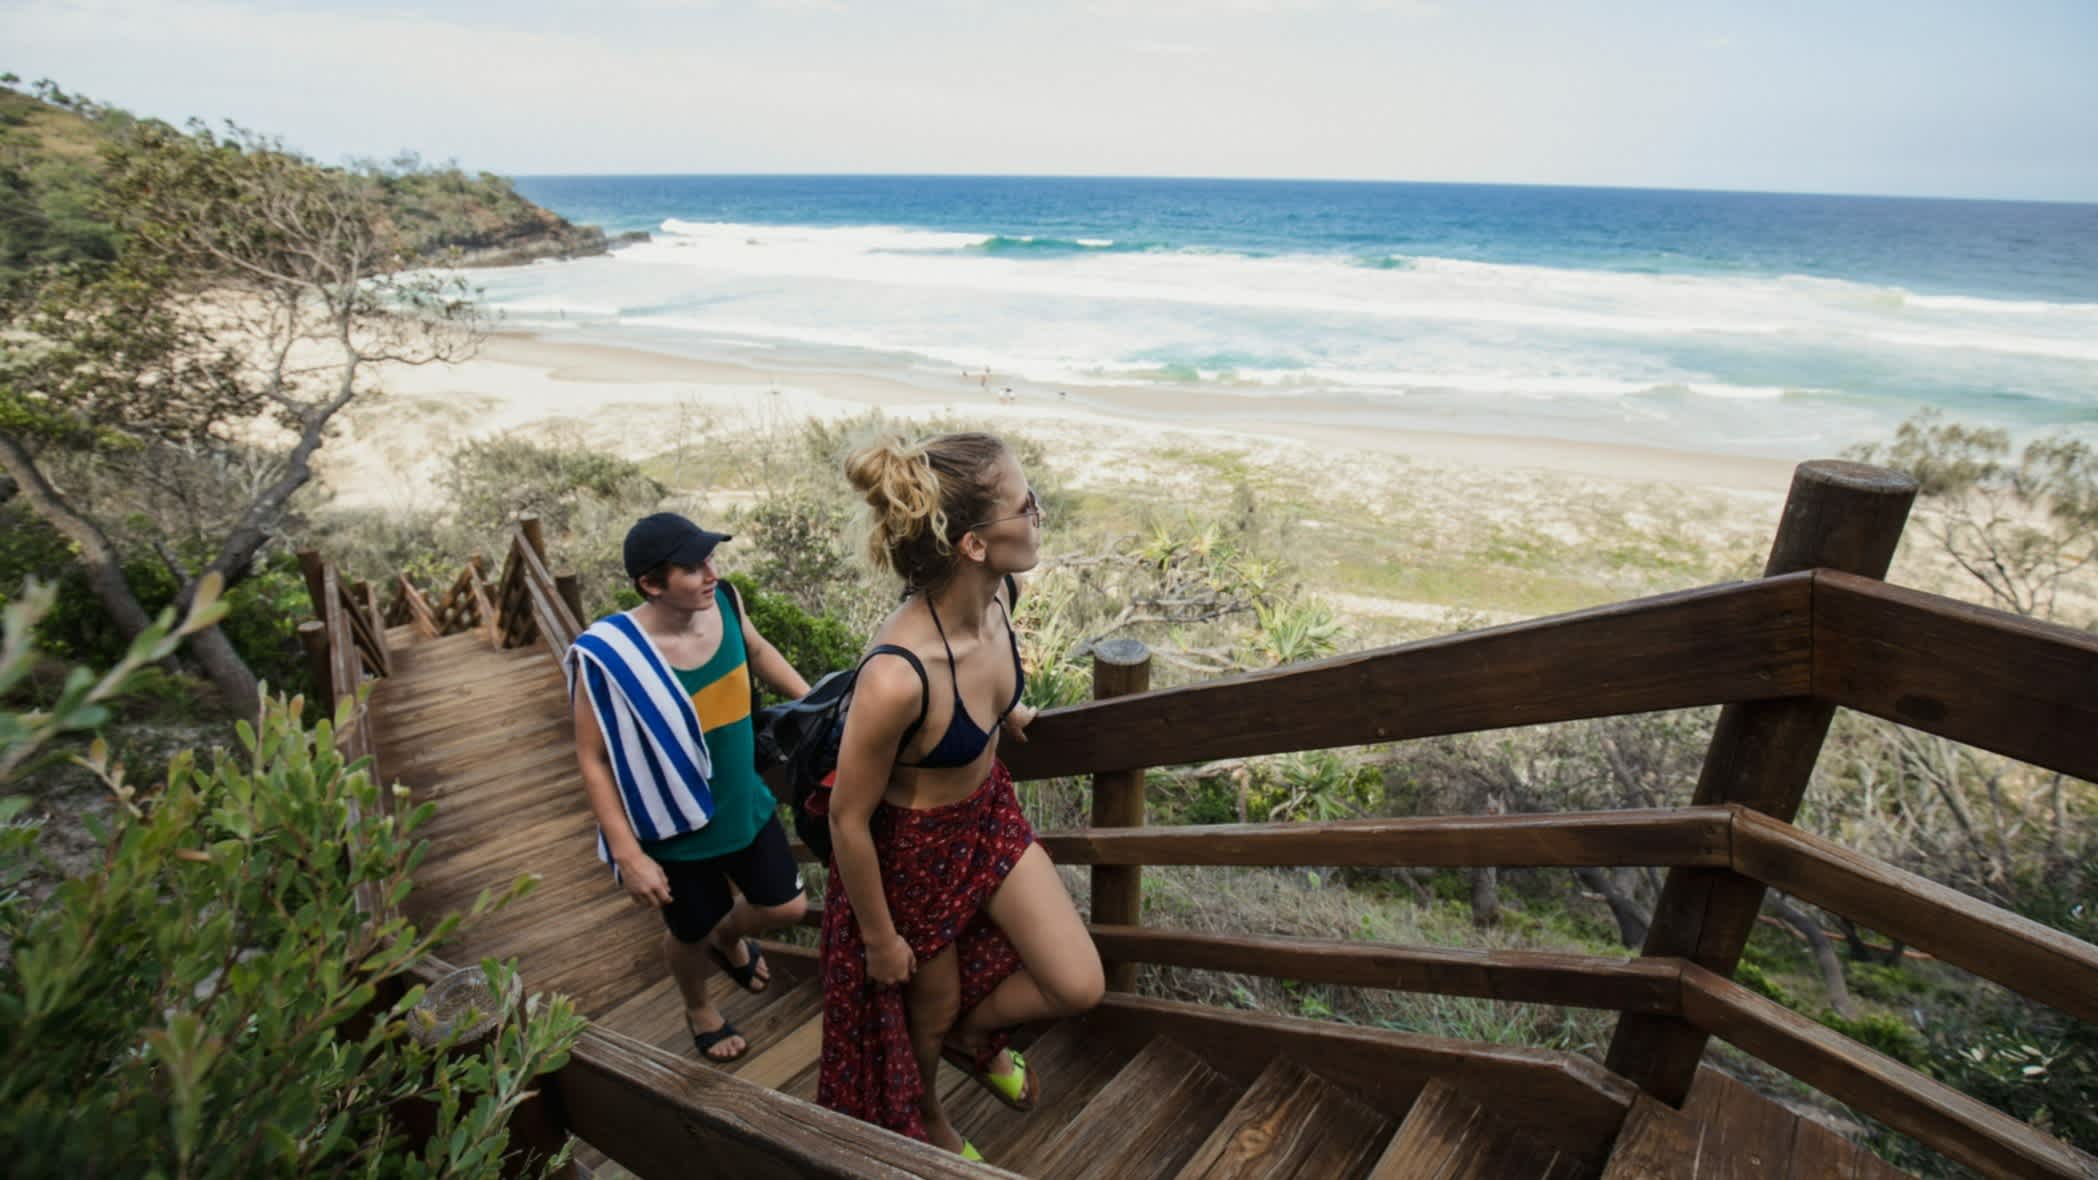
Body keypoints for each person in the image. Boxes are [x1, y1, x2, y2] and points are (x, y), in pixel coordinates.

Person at [817, 432, 1104, 1159]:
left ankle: (974, 1036)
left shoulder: (1000, 597)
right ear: (974, 544)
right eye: (1024, 505)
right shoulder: (896, 676)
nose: (1038, 514)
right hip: (914, 855)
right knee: (927, 1010)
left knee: (1079, 984)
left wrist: (1008, 712)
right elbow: (848, 819)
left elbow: (980, 681)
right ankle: (933, 1119)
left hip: (987, 818)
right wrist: (881, 940)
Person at [566, 513, 813, 1063]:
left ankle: (729, 937)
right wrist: (629, 854)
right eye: (691, 568)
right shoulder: (613, 658)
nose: (710, 574)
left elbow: (757, 649)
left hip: (743, 803)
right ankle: (698, 1004)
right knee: (687, 932)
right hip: (675, 828)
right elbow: (593, 757)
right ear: (652, 585)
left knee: (789, 907)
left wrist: (815, 709)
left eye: (709, 560)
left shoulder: (724, 601)